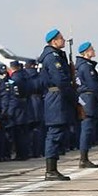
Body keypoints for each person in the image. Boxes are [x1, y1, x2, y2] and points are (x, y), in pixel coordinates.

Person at [39, 28, 76, 180]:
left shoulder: (57, 55)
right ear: (54, 41)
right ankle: (50, 170)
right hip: (56, 97)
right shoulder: (53, 57)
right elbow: (61, 80)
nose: (64, 40)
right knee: (54, 133)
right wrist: (73, 96)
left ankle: (53, 168)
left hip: (58, 96)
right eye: (61, 38)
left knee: (58, 132)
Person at [75, 41, 98, 168]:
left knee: (88, 129)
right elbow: (93, 85)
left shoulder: (83, 65)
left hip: (87, 97)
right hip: (88, 98)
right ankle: (83, 158)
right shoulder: (86, 66)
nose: (94, 51)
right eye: (91, 49)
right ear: (86, 52)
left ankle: (84, 157)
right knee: (87, 129)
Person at [6, 60, 31, 160]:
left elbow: (14, 95)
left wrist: (10, 112)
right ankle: (25, 153)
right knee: (24, 132)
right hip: (25, 104)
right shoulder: (26, 76)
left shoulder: (15, 78)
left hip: (17, 107)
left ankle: (21, 154)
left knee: (18, 133)